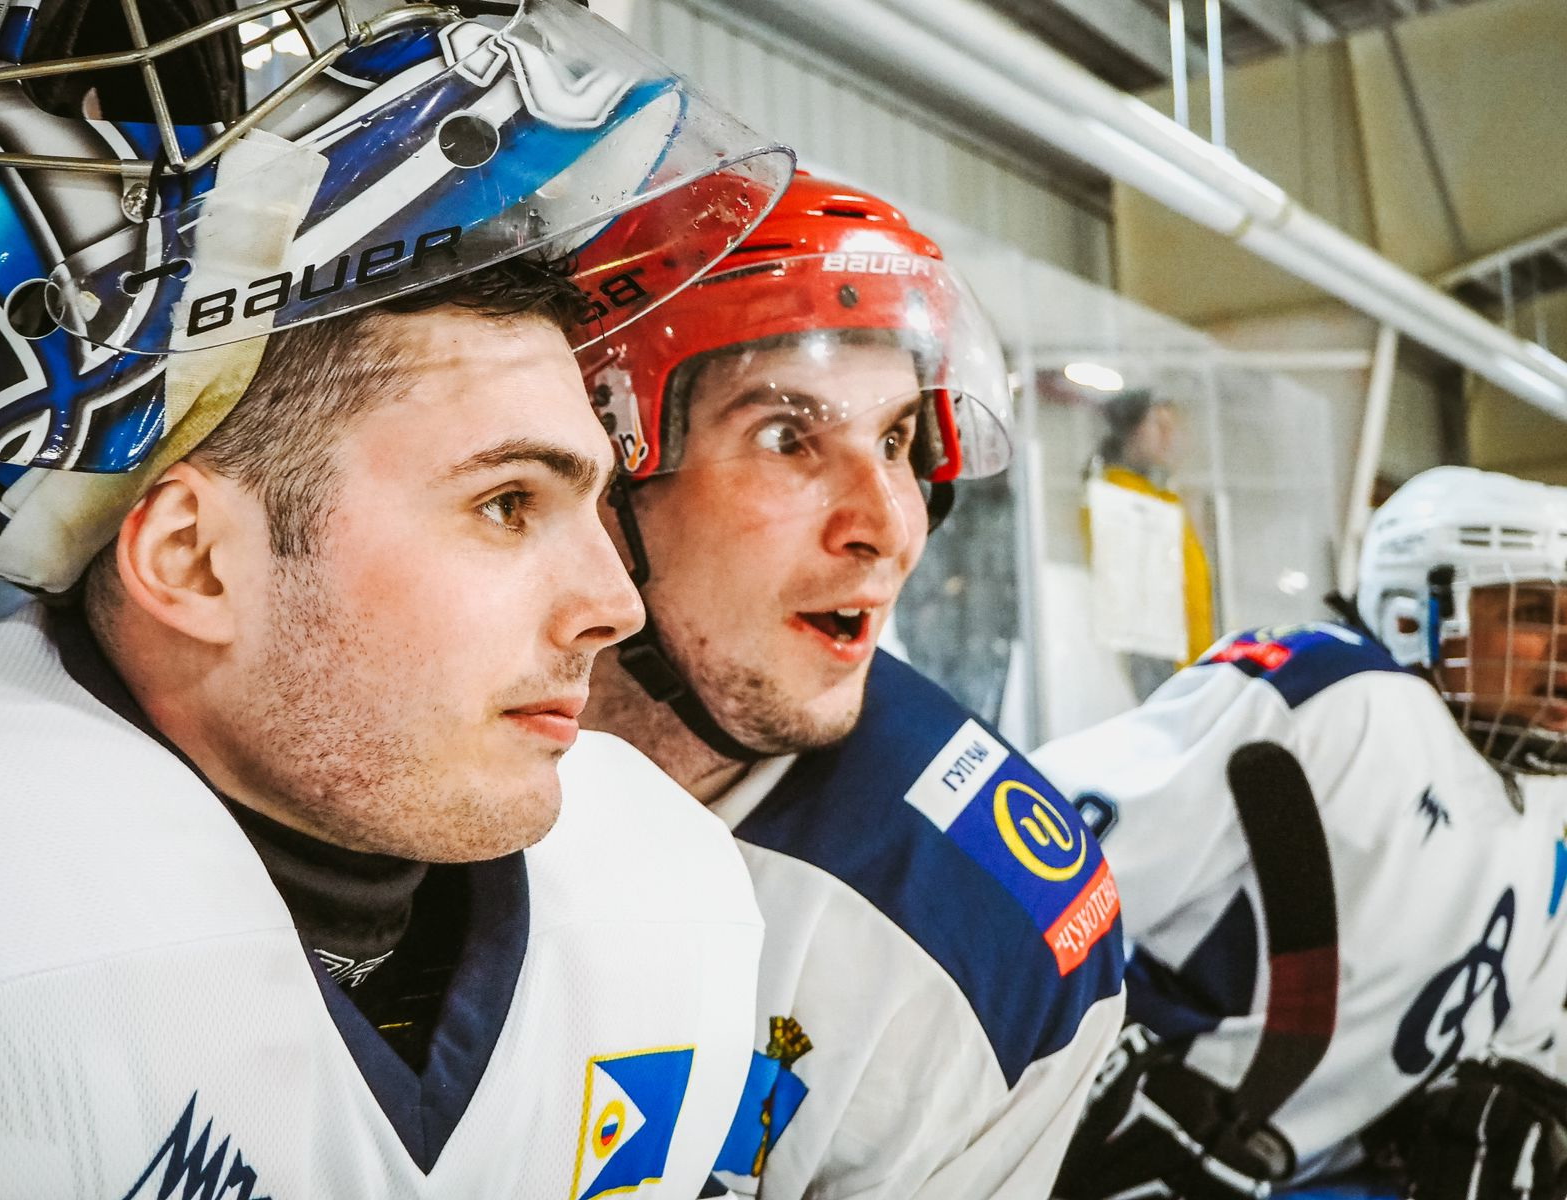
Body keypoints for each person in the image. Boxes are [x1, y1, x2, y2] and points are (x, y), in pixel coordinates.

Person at [0, 1, 796, 1195]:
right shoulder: (6, 934)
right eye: (505, 504)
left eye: (597, 504)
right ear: (196, 561)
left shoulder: (666, 889)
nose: (614, 605)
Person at [580, 171, 1126, 1200]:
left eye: (896, 441)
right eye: (787, 437)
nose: (888, 525)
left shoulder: (969, 929)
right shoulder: (390, 750)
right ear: (603, 469)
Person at [1033, 465, 1567, 1200]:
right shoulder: (1335, 693)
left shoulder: (1547, 798)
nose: (1564, 648)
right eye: (1534, 612)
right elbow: (1031, 871)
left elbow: (1520, 1045)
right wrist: (1089, 1074)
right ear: (1414, 611)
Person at [1084, 388, 1214, 700]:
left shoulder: (1161, 501)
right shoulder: (1115, 501)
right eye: (1159, 426)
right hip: (1150, 654)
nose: (1169, 437)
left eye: (1173, 427)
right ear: (1130, 431)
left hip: (1186, 661)